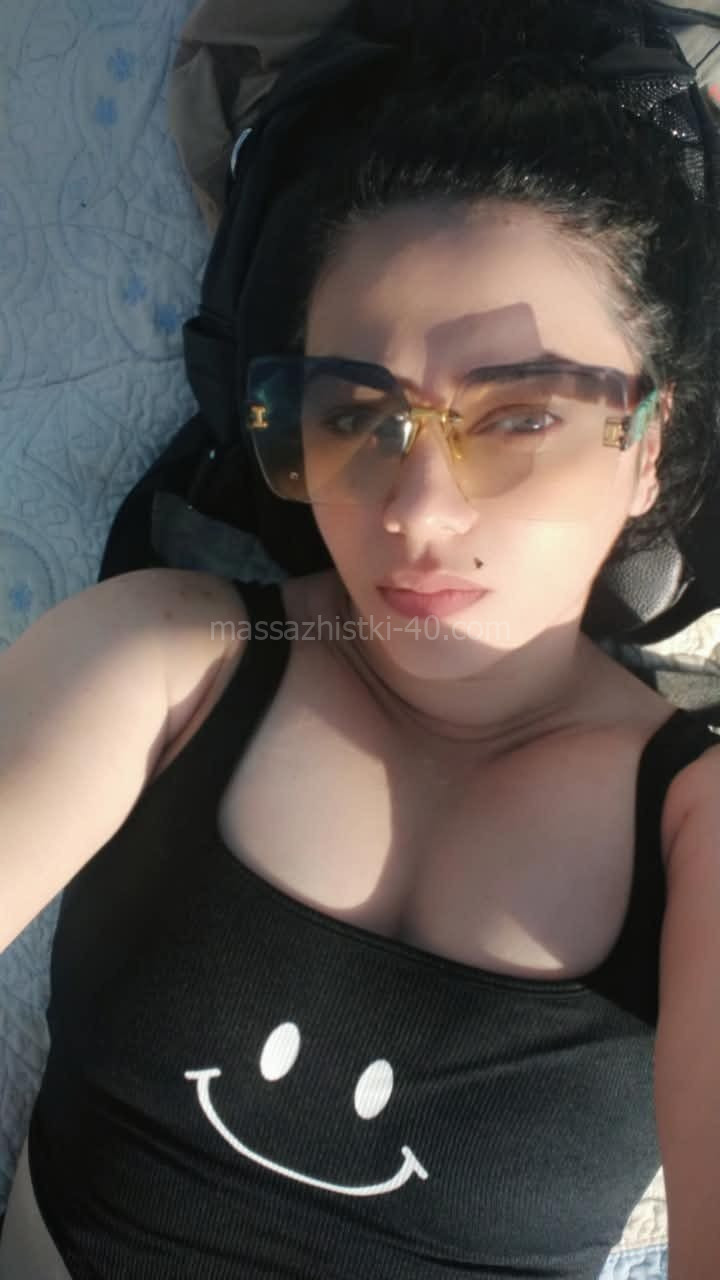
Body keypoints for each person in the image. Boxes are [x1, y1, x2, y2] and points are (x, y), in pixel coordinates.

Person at [2, 1, 720, 1275]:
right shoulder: (162, 663)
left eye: (520, 416)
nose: (417, 511)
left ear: (648, 444)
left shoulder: (696, 827)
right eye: (354, 415)